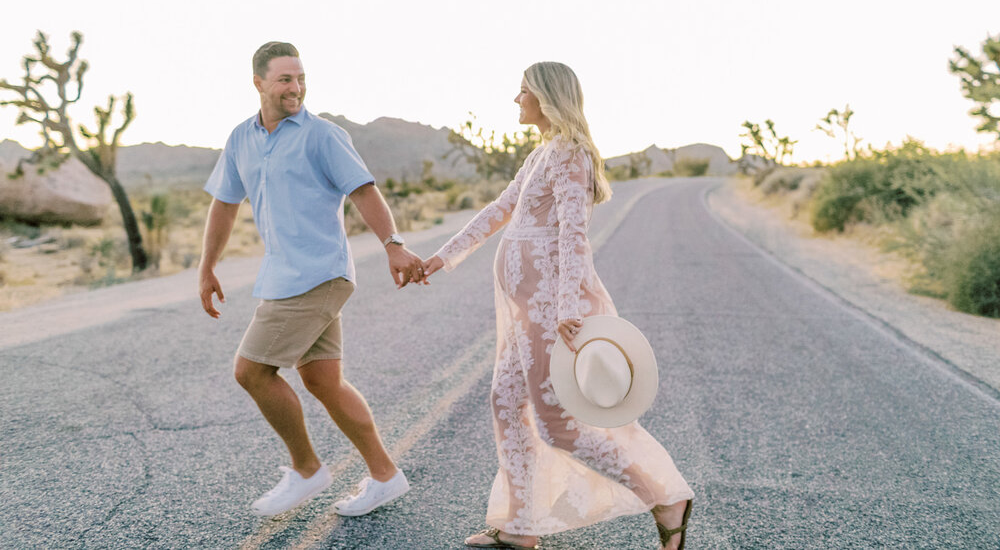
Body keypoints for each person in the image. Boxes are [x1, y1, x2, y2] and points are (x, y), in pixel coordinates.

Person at [422, 62, 695, 550]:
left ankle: (664, 497)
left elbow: (574, 234)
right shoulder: (541, 154)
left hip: (553, 310)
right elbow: (498, 211)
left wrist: (568, 305)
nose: (515, 99)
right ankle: (521, 527)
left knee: (557, 425)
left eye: (523, 90)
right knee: (506, 405)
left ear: (546, 96)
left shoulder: (570, 154)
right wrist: (441, 259)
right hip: (525, 310)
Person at [198, 41, 423, 518]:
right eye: (284, 79)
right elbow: (224, 202)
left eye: (300, 78)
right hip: (282, 275)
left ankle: (306, 468)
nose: (295, 87)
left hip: (318, 273)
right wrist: (206, 265)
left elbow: (363, 190)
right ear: (258, 82)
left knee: (252, 372)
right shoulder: (241, 138)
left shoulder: (322, 135)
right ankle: (386, 476)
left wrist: (393, 244)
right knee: (324, 381)